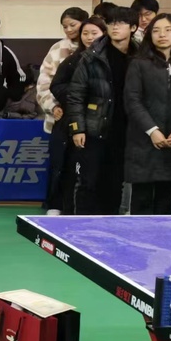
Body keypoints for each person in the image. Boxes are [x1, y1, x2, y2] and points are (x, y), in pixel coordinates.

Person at [66, 6, 138, 215]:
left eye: (121, 23)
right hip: (94, 128)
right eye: (111, 22)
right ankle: (82, 226)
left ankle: (109, 224)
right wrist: (78, 128)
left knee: (116, 183)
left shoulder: (141, 56)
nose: (115, 27)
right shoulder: (91, 56)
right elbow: (76, 95)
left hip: (127, 131)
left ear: (133, 28)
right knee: (88, 182)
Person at [123, 13, 171, 214]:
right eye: (156, 31)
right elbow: (132, 100)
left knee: (165, 203)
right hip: (144, 141)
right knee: (141, 202)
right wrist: (152, 130)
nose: (162, 35)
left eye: (168, 30)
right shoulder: (139, 63)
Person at [48, 17, 108, 215]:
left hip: (104, 123)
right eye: (85, 33)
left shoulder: (111, 59)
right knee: (70, 168)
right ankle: (64, 208)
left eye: (94, 33)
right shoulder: (74, 59)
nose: (89, 37)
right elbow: (56, 86)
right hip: (75, 121)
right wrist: (80, 95)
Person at [36, 7, 87, 135]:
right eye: (65, 27)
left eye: (72, 25)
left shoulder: (97, 49)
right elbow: (43, 83)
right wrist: (52, 106)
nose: (68, 29)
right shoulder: (57, 48)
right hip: (60, 115)